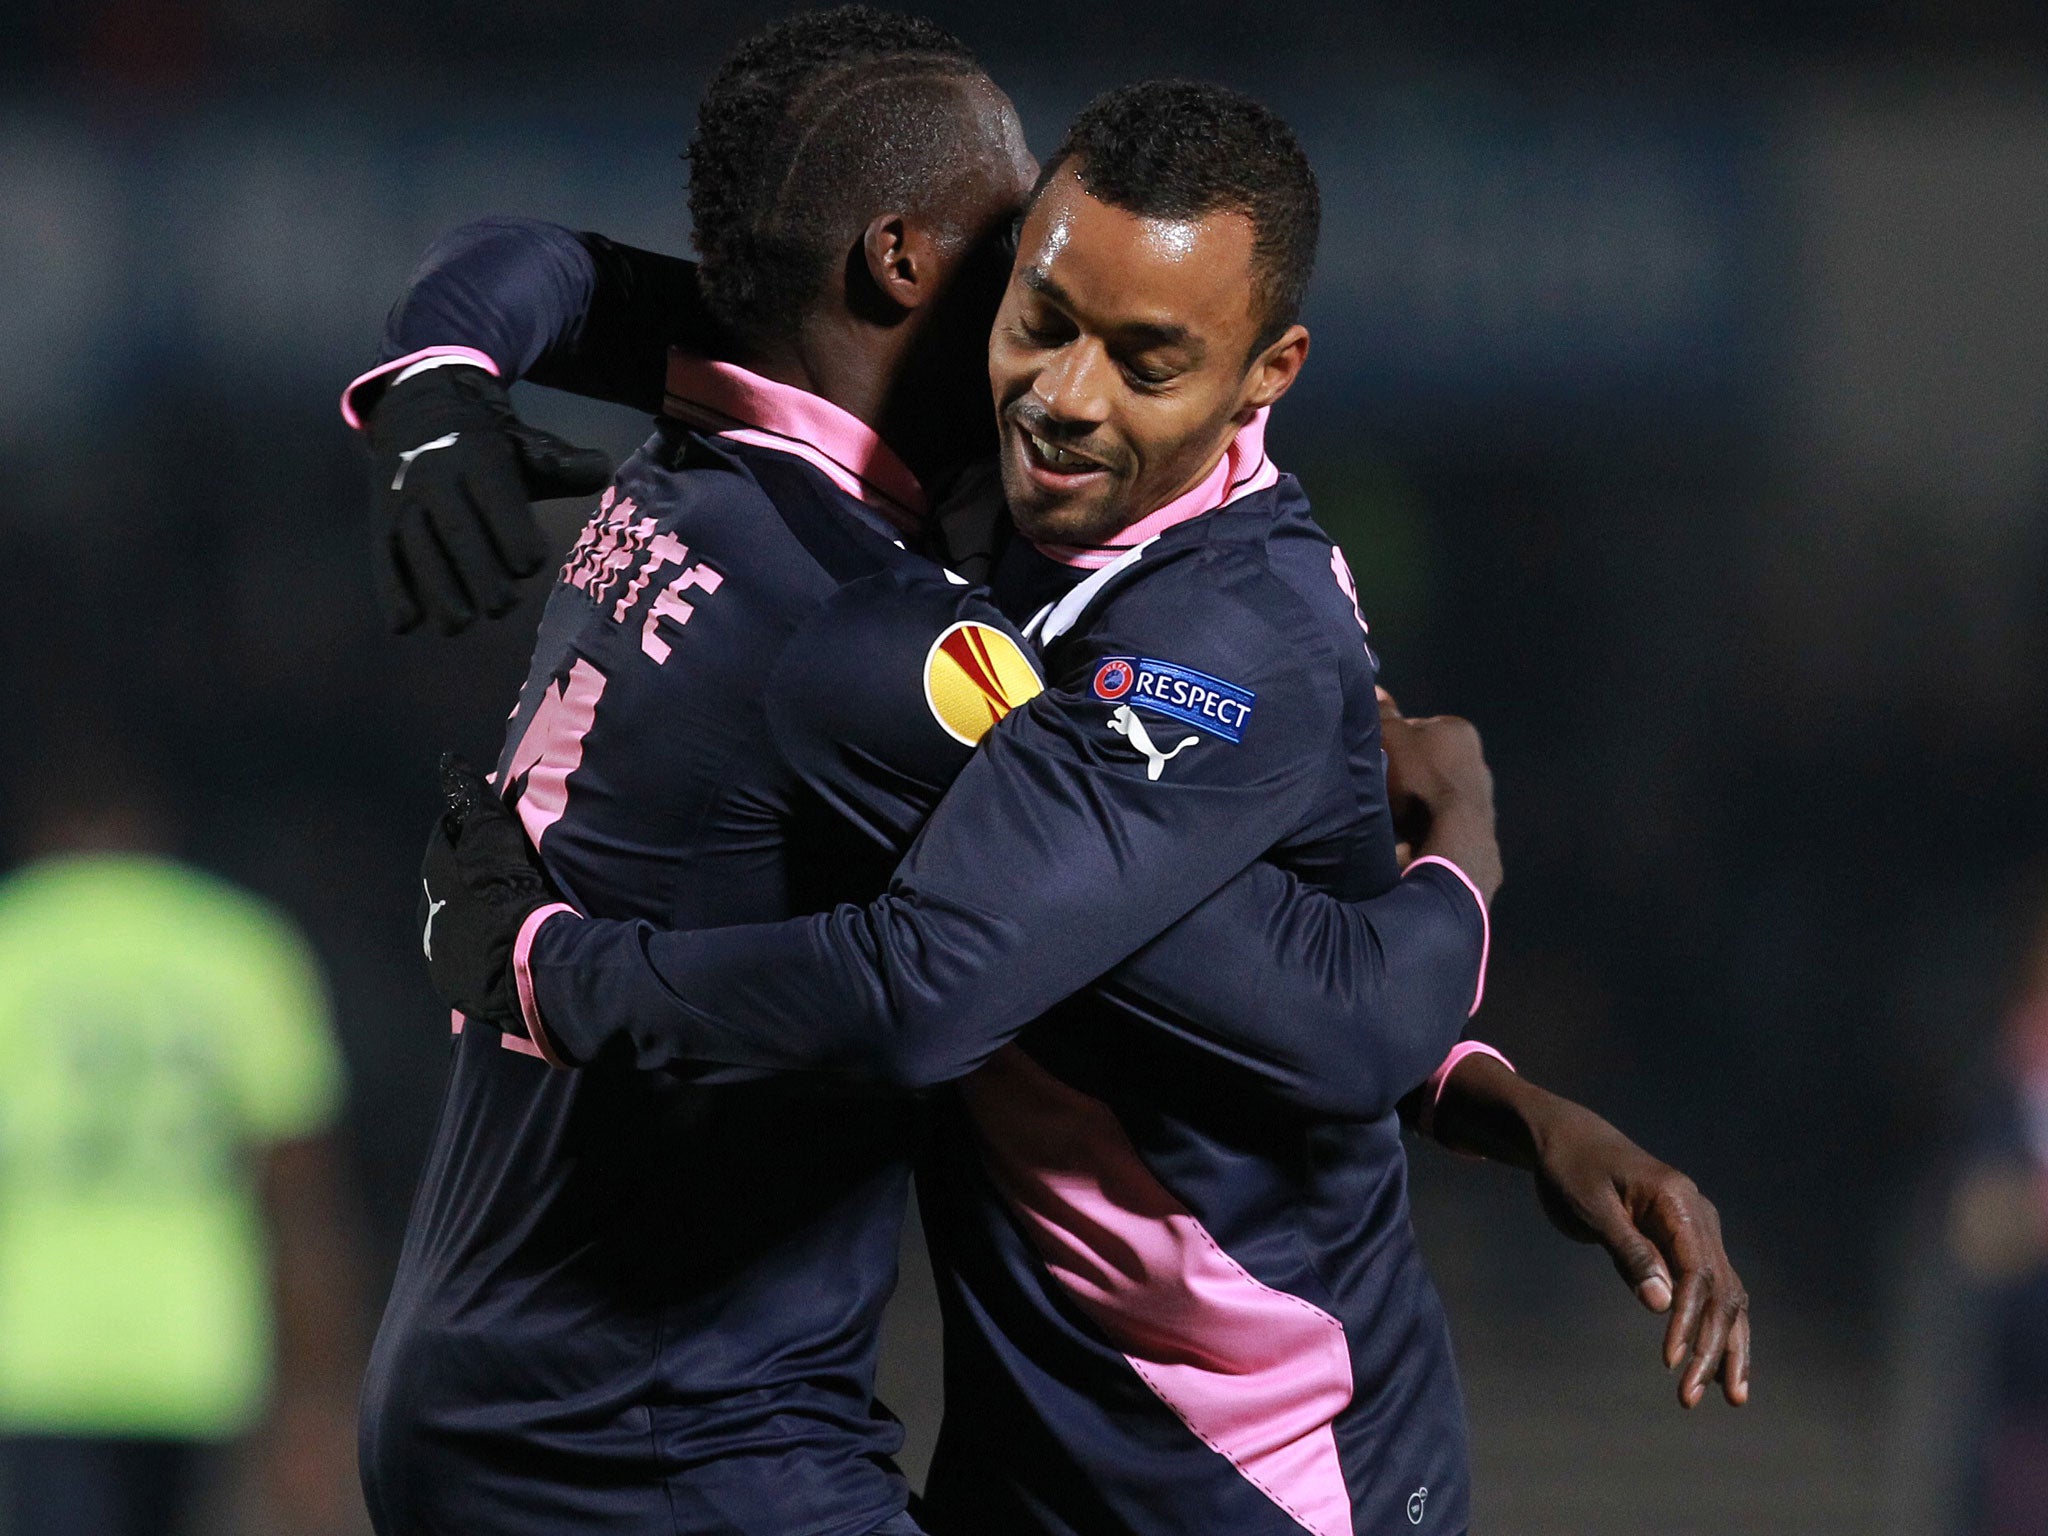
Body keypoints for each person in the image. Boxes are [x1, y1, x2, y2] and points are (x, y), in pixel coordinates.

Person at [376, 36, 1747, 1536]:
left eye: (1149, 356)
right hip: (844, 1436)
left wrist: (432, 383)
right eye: (1035, 296)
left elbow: (1276, 1005)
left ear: (1259, 374)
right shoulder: (924, 549)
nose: (1069, 391)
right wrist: (433, 383)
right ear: (947, 270)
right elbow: (1294, 1001)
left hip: (1249, 1467)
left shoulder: (1217, 627)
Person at [0, 761, 364, 1536]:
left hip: (35, 1352)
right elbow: (298, 1192)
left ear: (43, 832)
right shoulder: (239, 946)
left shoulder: (14, 941)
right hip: (201, 1350)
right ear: (151, 830)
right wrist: (317, 1395)